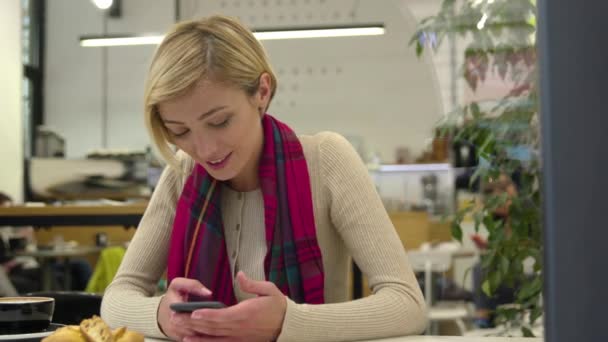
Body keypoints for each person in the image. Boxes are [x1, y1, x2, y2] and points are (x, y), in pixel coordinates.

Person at [100, 15, 426, 342]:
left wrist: (289, 321)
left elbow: (407, 304)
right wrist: (162, 315)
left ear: (262, 92)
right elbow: (117, 298)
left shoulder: (327, 160)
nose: (204, 149)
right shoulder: (182, 172)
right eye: (180, 131)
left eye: (220, 121)